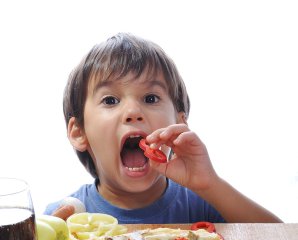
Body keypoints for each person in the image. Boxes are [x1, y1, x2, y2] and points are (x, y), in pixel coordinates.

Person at [45, 33, 282, 224]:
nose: (133, 112)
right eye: (110, 100)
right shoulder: (66, 215)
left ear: (178, 124)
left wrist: (210, 184)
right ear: (79, 132)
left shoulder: (200, 202)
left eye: (150, 98)